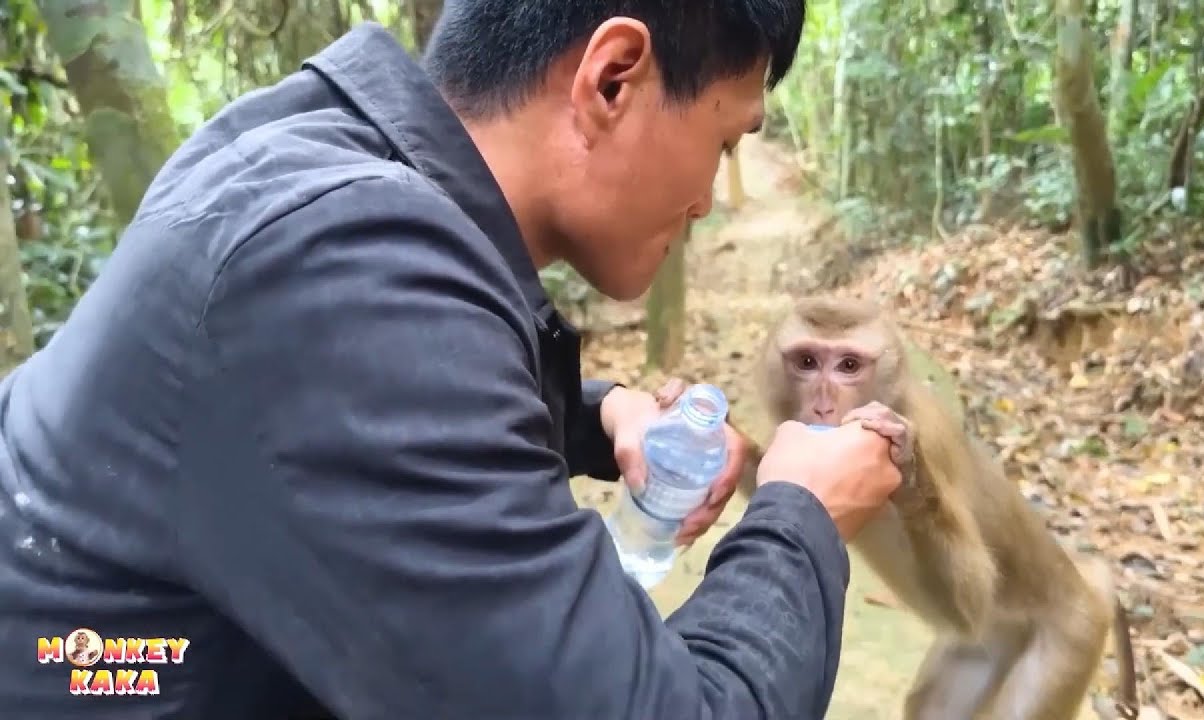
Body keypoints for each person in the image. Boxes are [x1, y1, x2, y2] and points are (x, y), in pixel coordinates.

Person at [0, 3, 905, 719]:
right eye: (724, 140)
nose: (707, 198)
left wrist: (597, 416)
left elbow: (333, 428)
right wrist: (802, 515)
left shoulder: (306, 157)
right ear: (613, 78)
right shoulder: (347, 272)